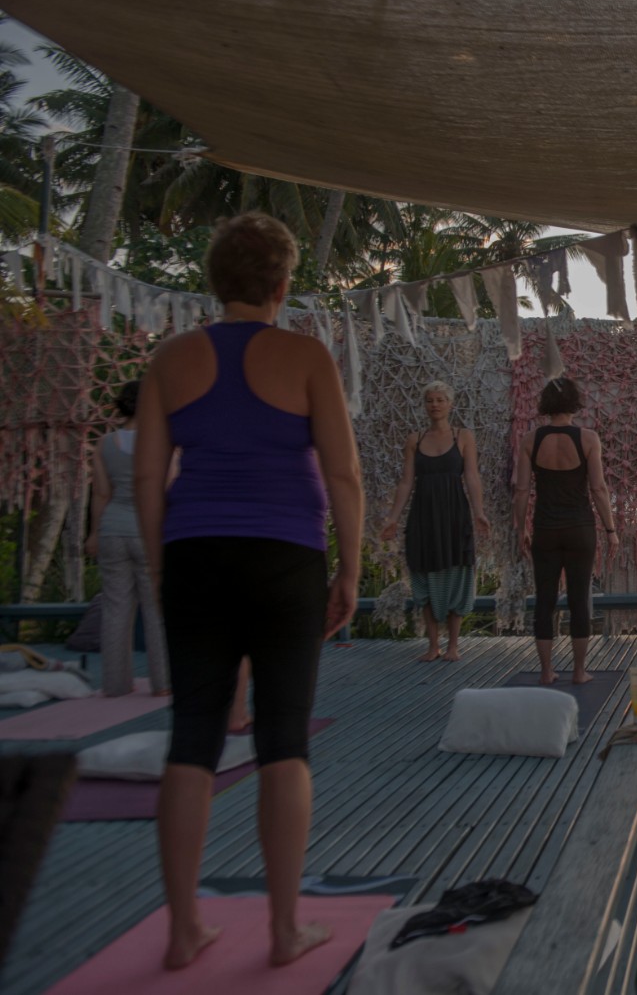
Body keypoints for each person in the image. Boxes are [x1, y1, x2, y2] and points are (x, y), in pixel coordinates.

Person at [135, 212, 363, 970]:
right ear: (281, 284)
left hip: (194, 551)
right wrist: (351, 568)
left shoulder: (171, 359)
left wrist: (163, 563)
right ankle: (283, 929)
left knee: (192, 740)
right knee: (283, 743)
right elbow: (343, 474)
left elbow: (146, 478)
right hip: (284, 555)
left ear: (214, 281)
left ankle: (179, 931)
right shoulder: (305, 356)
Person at [512, 378, 619, 685]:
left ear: (545, 403)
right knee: (578, 599)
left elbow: (521, 491)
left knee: (544, 600)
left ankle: (546, 672)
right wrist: (611, 529)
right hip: (580, 529)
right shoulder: (587, 438)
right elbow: (598, 488)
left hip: (545, 529)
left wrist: (521, 529)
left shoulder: (531, 440)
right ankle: (579, 671)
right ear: (575, 403)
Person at [379, 381, 491, 662]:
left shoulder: (463, 436)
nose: (435, 405)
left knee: (457, 573)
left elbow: (472, 477)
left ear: (450, 404)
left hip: (455, 513)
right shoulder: (414, 439)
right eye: (430, 400)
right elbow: (406, 482)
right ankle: (433, 645)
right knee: (424, 572)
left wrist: (479, 513)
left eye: (441, 399)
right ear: (425, 404)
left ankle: (453, 645)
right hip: (424, 513)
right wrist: (392, 517)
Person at [85, 380, 170, 697]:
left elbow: (101, 493)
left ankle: (115, 685)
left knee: (115, 609)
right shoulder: (162, 442)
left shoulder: (105, 443)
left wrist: (94, 533)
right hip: (149, 532)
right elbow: (166, 490)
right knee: (156, 609)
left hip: (111, 530)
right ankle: (163, 683)